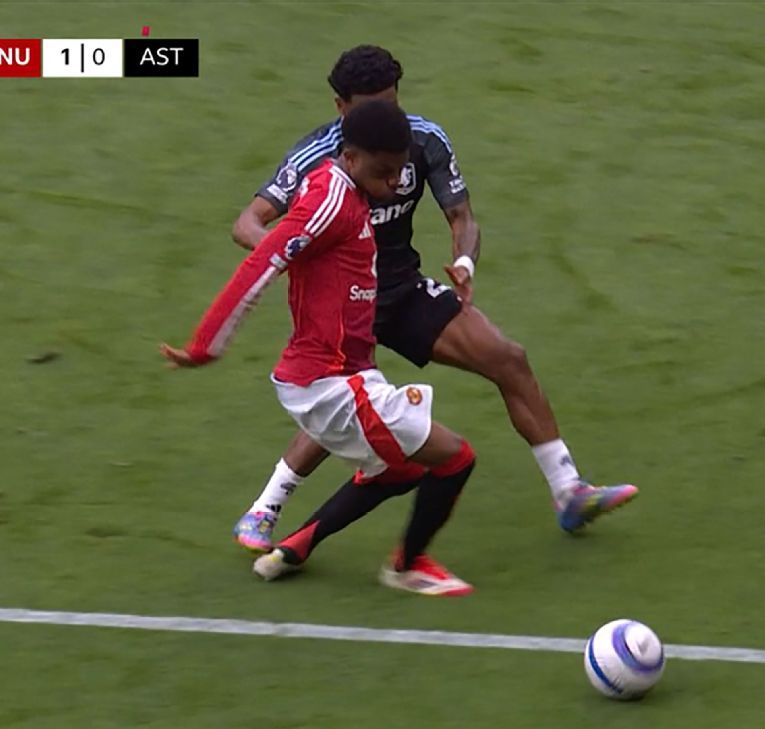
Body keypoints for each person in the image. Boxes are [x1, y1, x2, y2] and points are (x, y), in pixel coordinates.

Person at [230, 45, 636, 551]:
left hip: (401, 290)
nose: (386, 120)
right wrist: (297, 252)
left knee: (507, 358)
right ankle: (264, 509)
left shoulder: (422, 139)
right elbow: (248, 223)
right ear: (340, 107)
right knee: (345, 406)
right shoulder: (315, 157)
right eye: (369, 109)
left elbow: (462, 217)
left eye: (391, 104)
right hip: (343, 305)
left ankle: (569, 491)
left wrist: (464, 262)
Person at [162, 100, 477, 597]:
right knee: (455, 457)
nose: (394, 183)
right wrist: (206, 345)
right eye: (383, 171)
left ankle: (294, 548)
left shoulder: (350, 189)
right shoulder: (330, 198)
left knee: (400, 469)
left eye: (400, 171)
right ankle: (407, 565)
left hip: (346, 376)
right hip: (329, 383)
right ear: (350, 157)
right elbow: (262, 262)